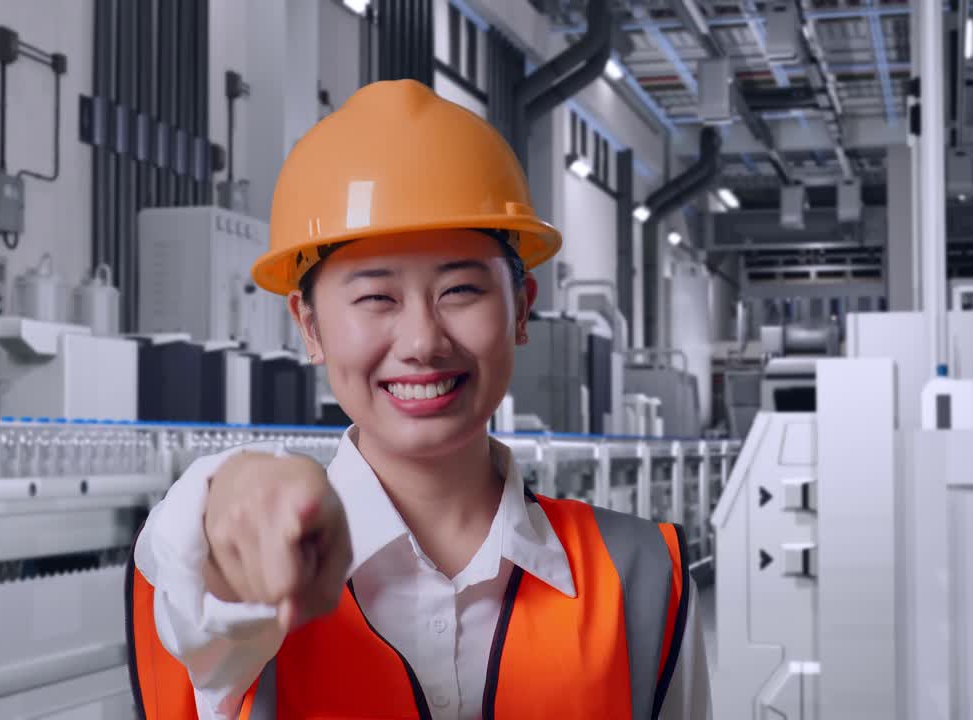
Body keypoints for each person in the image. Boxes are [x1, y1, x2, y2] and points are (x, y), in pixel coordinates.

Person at [126, 79, 711, 720]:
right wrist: (227, 493)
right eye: (377, 297)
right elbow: (185, 558)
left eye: (460, 290)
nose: (423, 342)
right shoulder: (245, 582)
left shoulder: (641, 576)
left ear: (522, 310)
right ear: (310, 325)